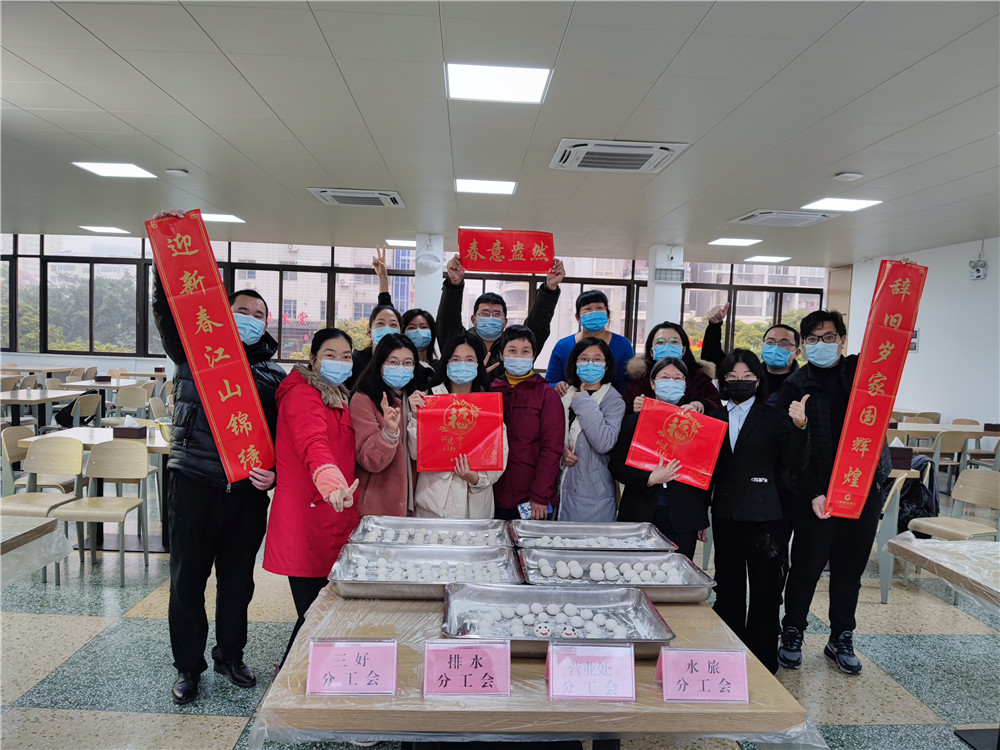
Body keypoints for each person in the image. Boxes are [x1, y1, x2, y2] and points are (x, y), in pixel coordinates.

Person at [150, 210, 286, 706]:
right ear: (222, 315)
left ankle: (231, 655)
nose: (250, 319)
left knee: (238, 582)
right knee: (187, 581)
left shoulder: (273, 378)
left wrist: (275, 473)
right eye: (241, 310)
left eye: (258, 314)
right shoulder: (192, 355)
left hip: (246, 492)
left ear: (267, 324)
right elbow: (169, 311)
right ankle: (188, 667)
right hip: (193, 482)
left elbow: (284, 439)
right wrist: (165, 261)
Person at [775, 310, 891, 676]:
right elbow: (790, 451)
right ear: (803, 344)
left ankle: (841, 636)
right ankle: (793, 631)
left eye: (828, 337)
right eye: (811, 339)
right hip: (816, 494)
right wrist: (813, 492)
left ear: (842, 340)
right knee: (806, 567)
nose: (820, 344)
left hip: (862, 488)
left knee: (849, 570)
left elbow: (888, 349)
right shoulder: (796, 384)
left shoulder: (862, 374)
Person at [264, 328, 360, 666]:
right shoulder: (303, 395)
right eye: (330, 355)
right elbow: (312, 443)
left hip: (330, 516)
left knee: (323, 611)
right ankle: (288, 679)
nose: (339, 362)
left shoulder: (336, 395)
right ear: (313, 359)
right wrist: (331, 482)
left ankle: (314, 675)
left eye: (346, 356)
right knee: (313, 613)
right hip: (308, 521)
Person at [708, 349, 800, 675]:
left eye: (747, 376)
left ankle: (762, 660)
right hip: (726, 514)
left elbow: (792, 461)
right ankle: (728, 654)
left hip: (766, 517)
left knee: (765, 590)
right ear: (723, 380)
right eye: (732, 377)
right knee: (728, 586)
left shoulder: (774, 415)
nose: (740, 382)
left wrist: (801, 425)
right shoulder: (714, 416)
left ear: (758, 381)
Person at [610, 357, 710, 560]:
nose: (671, 382)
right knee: (637, 570)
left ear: (685, 385)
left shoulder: (699, 425)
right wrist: (649, 479)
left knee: (677, 572)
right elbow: (616, 465)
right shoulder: (634, 421)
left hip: (684, 517)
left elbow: (705, 473)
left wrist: (700, 517)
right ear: (653, 384)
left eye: (678, 378)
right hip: (640, 512)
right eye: (665, 377)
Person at [406, 333, 508, 519]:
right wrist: (414, 416)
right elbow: (415, 453)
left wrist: (475, 478)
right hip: (434, 508)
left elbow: (498, 458)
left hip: (474, 512)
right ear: (446, 363)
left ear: (478, 365)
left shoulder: (489, 408)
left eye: (469, 360)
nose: (462, 365)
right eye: (455, 359)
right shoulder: (429, 401)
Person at [436, 252, 565, 384]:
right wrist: (454, 285)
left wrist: (550, 289)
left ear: (505, 322)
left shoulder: (516, 344)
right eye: (485, 313)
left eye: (497, 314)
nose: (491, 318)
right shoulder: (461, 343)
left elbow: (538, 324)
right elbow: (447, 322)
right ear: (473, 319)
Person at [490, 325, 565, 520]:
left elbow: (552, 449)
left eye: (525, 351)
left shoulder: (547, 395)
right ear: (502, 355)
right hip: (492, 494)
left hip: (532, 498)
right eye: (512, 351)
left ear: (533, 356)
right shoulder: (490, 392)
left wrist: (540, 495)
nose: (519, 356)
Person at [556, 337, 625, 522]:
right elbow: (552, 437)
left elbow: (604, 442)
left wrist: (583, 401)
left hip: (594, 495)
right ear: (575, 363)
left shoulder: (614, 401)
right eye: (584, 359)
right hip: (561, 488)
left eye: (597, 359)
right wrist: (561, 454)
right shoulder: (564, 395)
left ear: (606, 365)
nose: (590, 364)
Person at [350, 332, 419, 517]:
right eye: (393, 362)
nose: (401, 368)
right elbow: (368, 459)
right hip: (377, 506)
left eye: (407, 363)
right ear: (379, 364)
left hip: (413, 502)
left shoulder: (416, 398)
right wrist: (388, 433)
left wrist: (416, 416)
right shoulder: (363, 399)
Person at [699, 302, 803, 400]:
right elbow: (712, 358)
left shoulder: (803, 382)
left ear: (797, 352)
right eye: (770, 342)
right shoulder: (750, 372)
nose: (776, 348)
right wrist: (714, 326)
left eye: (784, 343)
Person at [546, 290, 635, 394]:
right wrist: (557, 386)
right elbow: (549, 383)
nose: (594, 313)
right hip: (570, 401)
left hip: (611, 402)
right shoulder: (563, 346)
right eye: (588, 309)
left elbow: (628, 385)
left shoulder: (623, 345)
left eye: (599, 308)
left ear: (607, 314)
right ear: (578, 317)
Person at [623, 321, 722, 415]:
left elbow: (719, 410)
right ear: (651, 351)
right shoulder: (639, 379)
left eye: (674, 342)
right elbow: (623, 417)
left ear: (683, 350)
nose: (667, 347)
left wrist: (703, 405)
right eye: (660, 342)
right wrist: (635, 409)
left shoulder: (700, 379)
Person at [401, 307, 438, 381]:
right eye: (411, 328)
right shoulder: (398, 368)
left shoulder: (439, 368)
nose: (418, 331)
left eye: (423, 327)